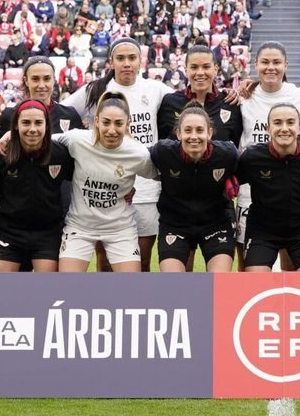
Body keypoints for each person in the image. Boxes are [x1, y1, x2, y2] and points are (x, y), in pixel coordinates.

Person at [63, 38, 172, 265]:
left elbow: (189, 106)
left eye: (132, 58)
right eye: (120, 58)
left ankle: (137, 301)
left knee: (143, 260)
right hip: (109, 184)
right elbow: (59, 111)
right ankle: (106, 300)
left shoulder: (156, 89)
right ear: (111, 61)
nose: (126, 63)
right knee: (104, 261)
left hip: (146, 188)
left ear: (140, 61)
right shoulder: (96, 89)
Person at [51, 96, 156, 272]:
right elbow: (42, 139)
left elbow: (161, 174)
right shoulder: (77, 140)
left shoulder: (138, 153)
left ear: (128, 123)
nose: (111, 130)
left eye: (118, 123)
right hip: (80, 227)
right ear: (97, 121)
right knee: (67, 288)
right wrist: (10, 135)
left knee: (130, 292)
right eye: (106, 122)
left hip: (120, 229)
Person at [234, 42, 300, 253]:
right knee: (248, 260)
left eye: (277, 62)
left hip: (293, 191)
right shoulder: (243, 98)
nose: (271, 67)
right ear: (255, 64)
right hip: (251, 193)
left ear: (286, 65)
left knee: (293, 261)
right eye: (265, 62)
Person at [236, 104, 300, 272]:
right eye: (277, 123)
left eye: (290, 122)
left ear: (299, 127)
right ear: (268, 128)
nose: (284, 128)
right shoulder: (252, 157)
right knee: (255, 280)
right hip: (262, 230)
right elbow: (230, 181)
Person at [0, 100, 73, 273]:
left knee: (47, 292)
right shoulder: (0, 155)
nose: (32, 129)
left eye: (38, 123)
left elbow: (84, 179)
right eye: (26, 123)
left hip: (48, 233)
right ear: (15, 125)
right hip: (9, 233)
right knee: (0, 293)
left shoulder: (61, 154)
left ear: (47, 125)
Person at [150, 106, 240, 272]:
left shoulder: (228, 154)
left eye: (200, 130)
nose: (194, 136)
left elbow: (253, 169)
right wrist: (127, 188)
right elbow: (132, 161)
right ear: (178, 134)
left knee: (219, 280)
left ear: (209, 133)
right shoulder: (162, 151)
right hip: (175, 224)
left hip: (216, 224)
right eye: (188, 130)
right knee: (173, 284)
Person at [158, 44, 244, 144]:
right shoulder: (170, 102)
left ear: (215, 69)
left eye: (206, 67)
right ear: (186, 70)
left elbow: (236, 147)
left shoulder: (230, 102)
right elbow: (163, 144)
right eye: (194, 67)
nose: (200, 72)